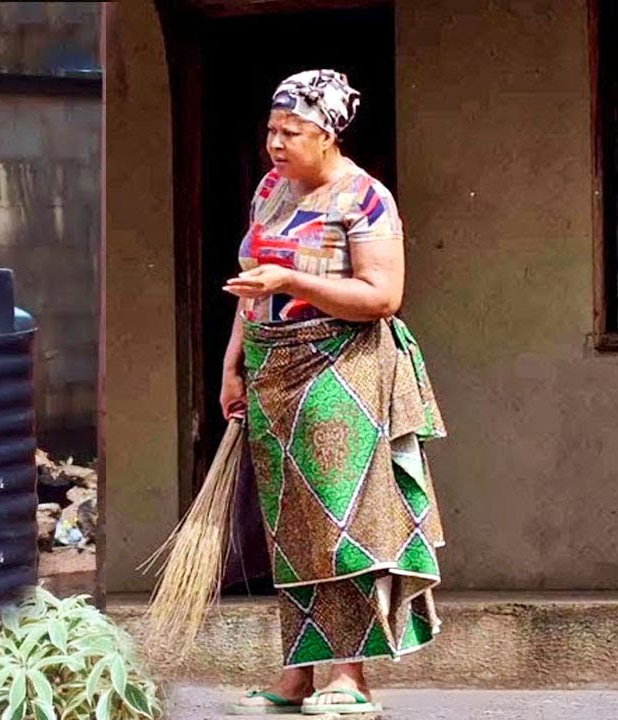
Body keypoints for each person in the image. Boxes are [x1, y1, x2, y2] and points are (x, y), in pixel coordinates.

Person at [221, 70, 447, 716]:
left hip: (338, 368)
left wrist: (295, 278)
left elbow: (382, 296)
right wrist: (232, 365)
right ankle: (299, 672)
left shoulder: (365, 200)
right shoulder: (270, 191)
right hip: (271, 368)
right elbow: (252, 287)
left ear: (327, 135)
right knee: (288, 527)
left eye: (291, 131)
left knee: (335, 520)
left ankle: (349, 677)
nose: (276, 143)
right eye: (271, 129)